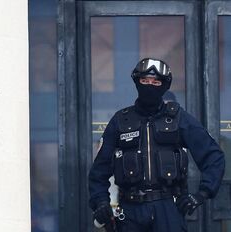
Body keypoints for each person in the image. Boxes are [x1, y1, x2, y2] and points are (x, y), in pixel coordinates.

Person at [88, 58, 225, 232]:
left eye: (156, 82)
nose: (149, 86)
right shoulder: (120, 121)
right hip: (130, 212)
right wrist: (100, 202)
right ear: (137, 82)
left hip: (168, 209)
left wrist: (202, 194)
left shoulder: (178, 119)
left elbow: (213, 156)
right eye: (144, 81)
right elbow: (98, 172)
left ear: (164, 86)